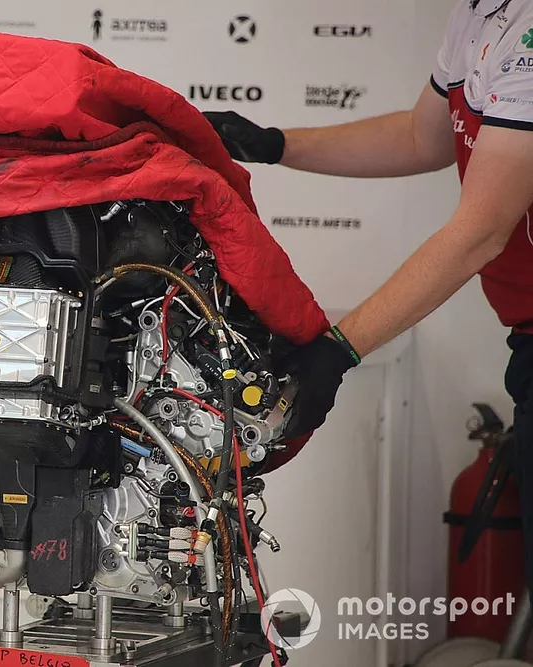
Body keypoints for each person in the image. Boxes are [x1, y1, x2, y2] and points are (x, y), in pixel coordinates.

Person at [205, 0, 533, 595]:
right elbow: (420, 137)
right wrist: (274, 144)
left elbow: (481, 231)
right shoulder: (480, 13)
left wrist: (338, 350)